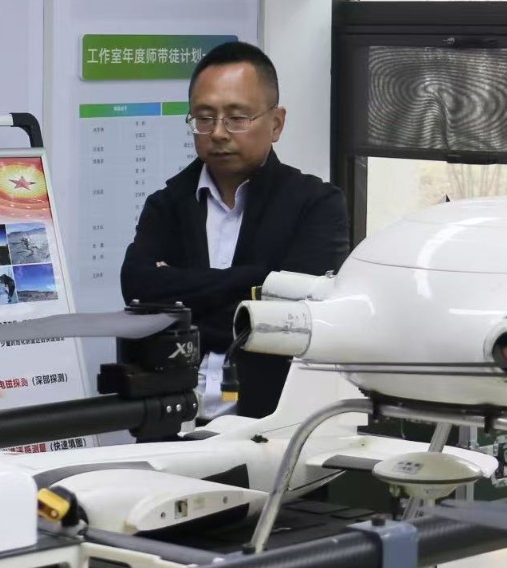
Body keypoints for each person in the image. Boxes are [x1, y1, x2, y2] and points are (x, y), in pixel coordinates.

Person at [120, 42, 350, 420]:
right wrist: (255, 280)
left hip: (272, 423)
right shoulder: (167, 204)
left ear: (276, 123)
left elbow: (297, 315)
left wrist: (182, 295)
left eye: (237, 118)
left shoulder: (316, 205)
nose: (218, 133)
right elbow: (138, 290)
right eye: (204, 118)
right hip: (172, 419)